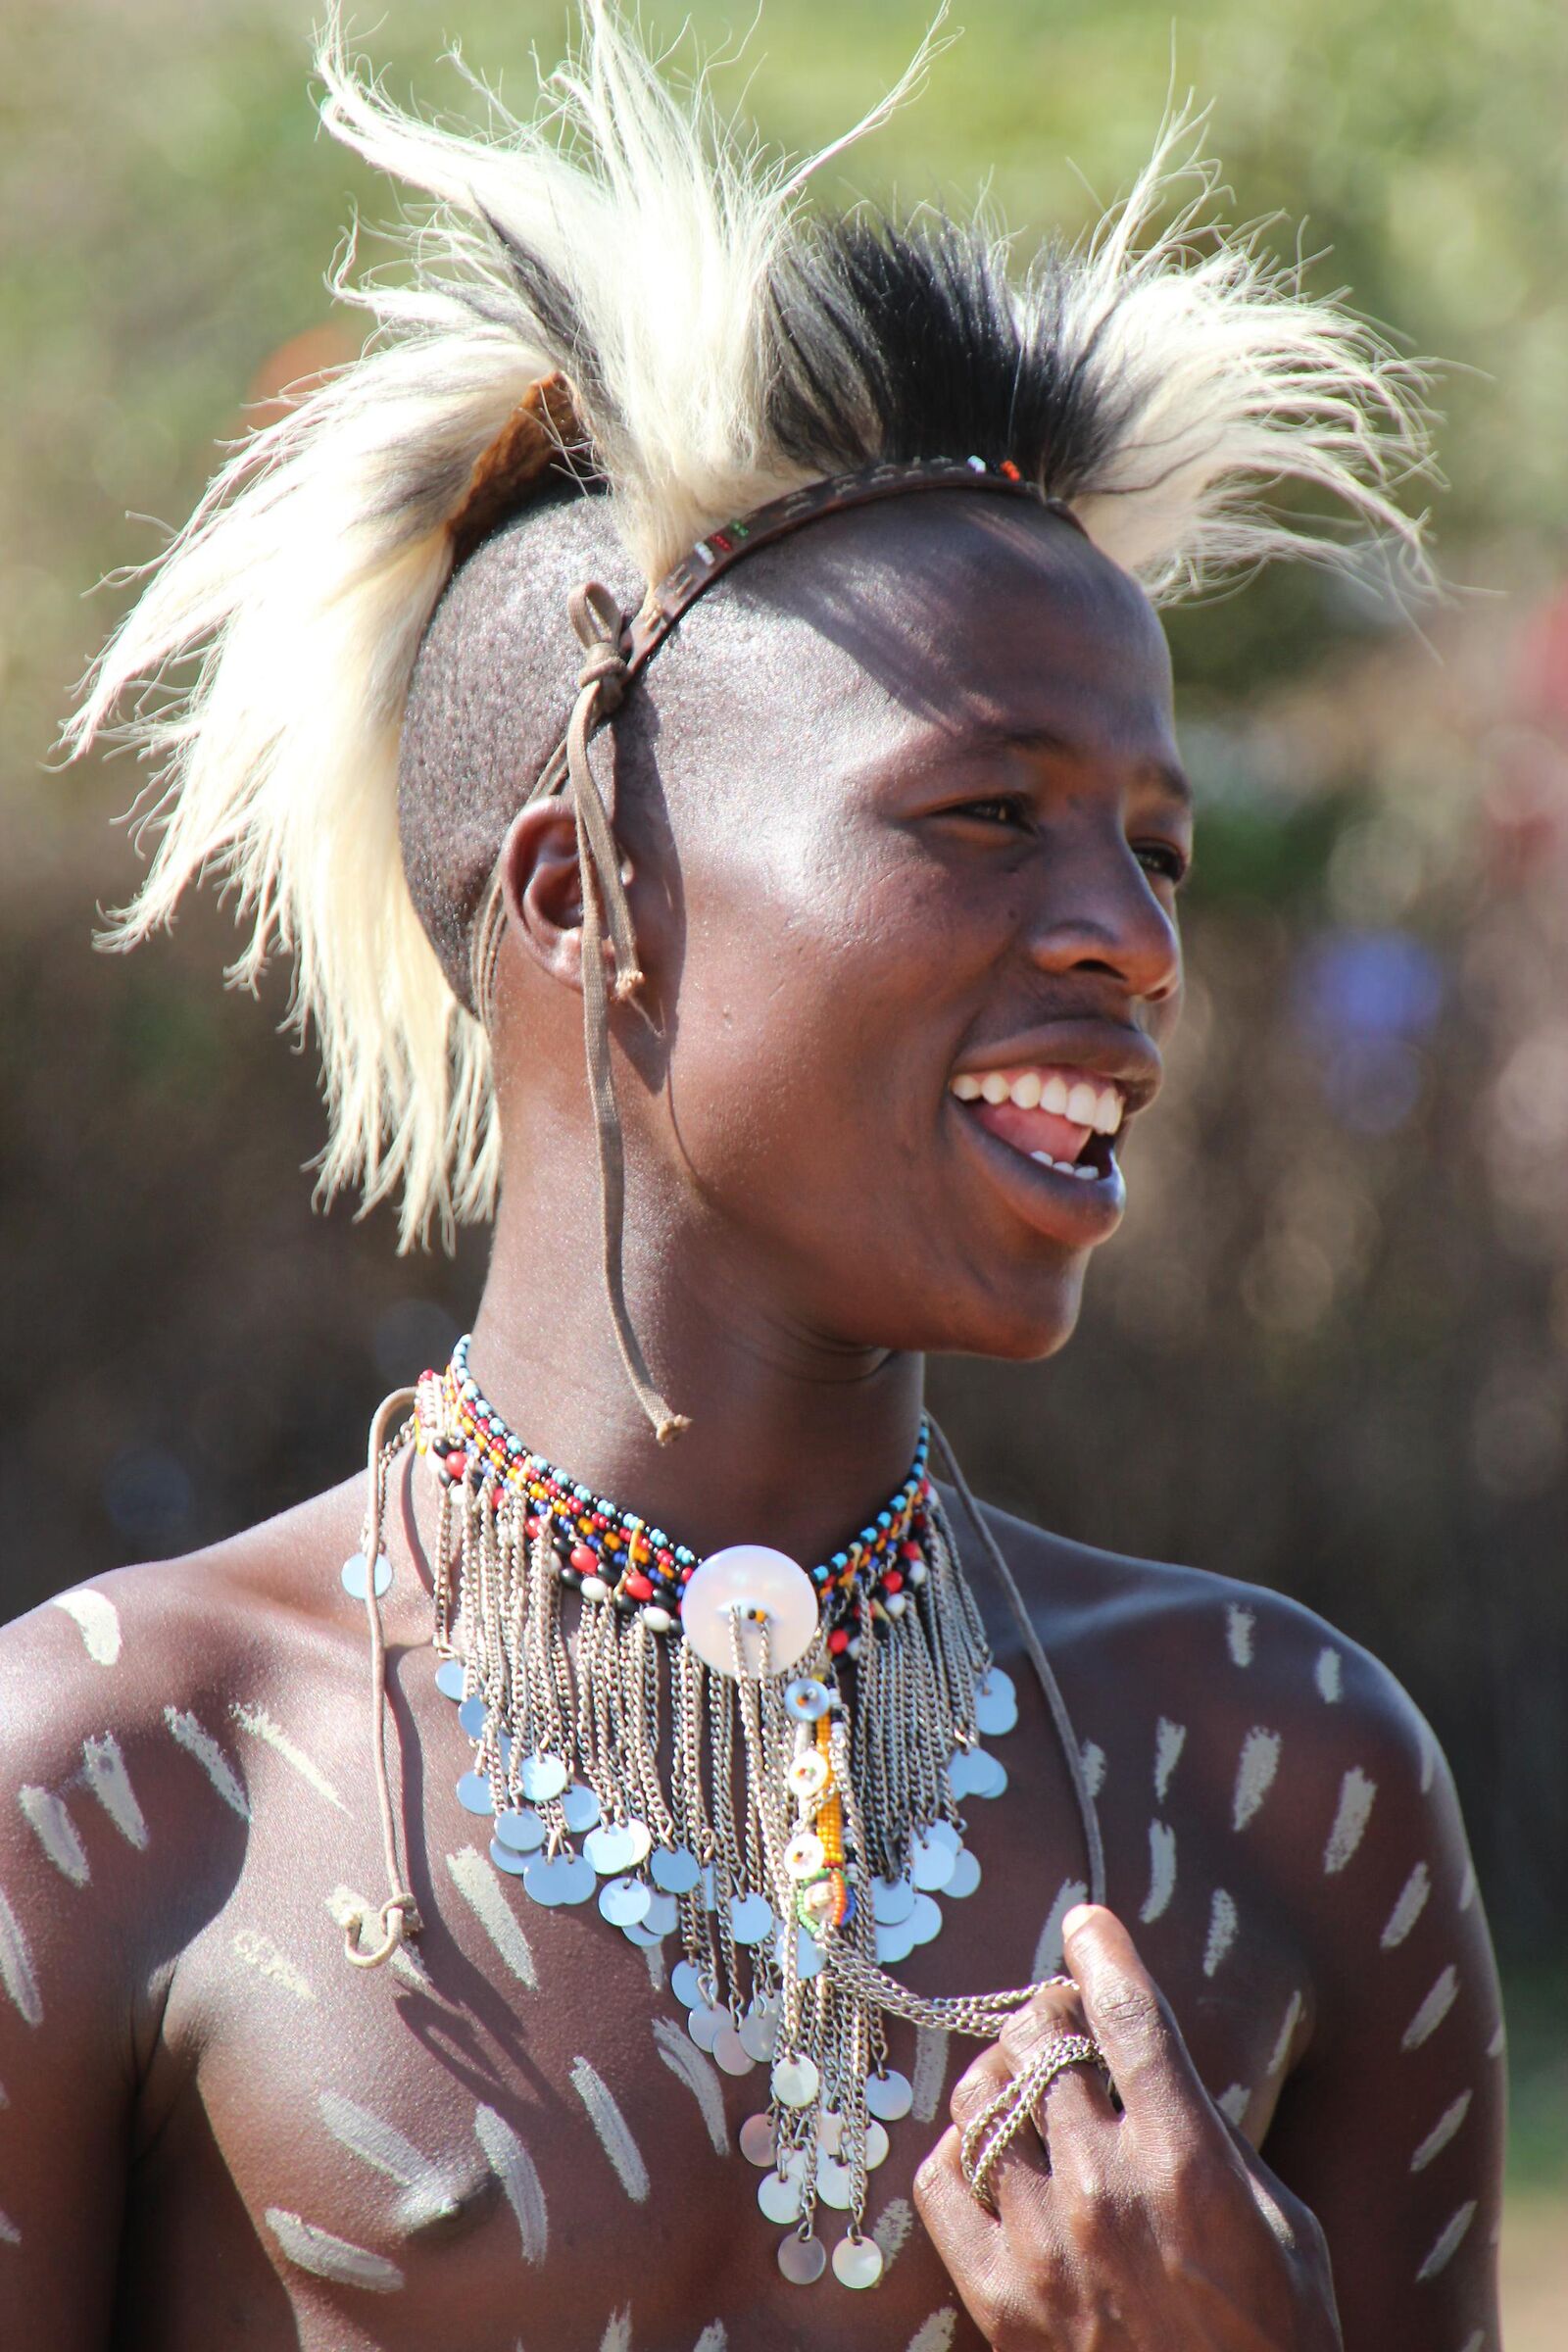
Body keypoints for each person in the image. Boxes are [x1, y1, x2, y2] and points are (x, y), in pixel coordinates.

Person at [3, 7, 1500, 2346]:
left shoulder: (1276, 1779)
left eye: (1156, 850)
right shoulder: (114, 1784)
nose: (1126, 934)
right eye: (984, 816)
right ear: (583, 896)